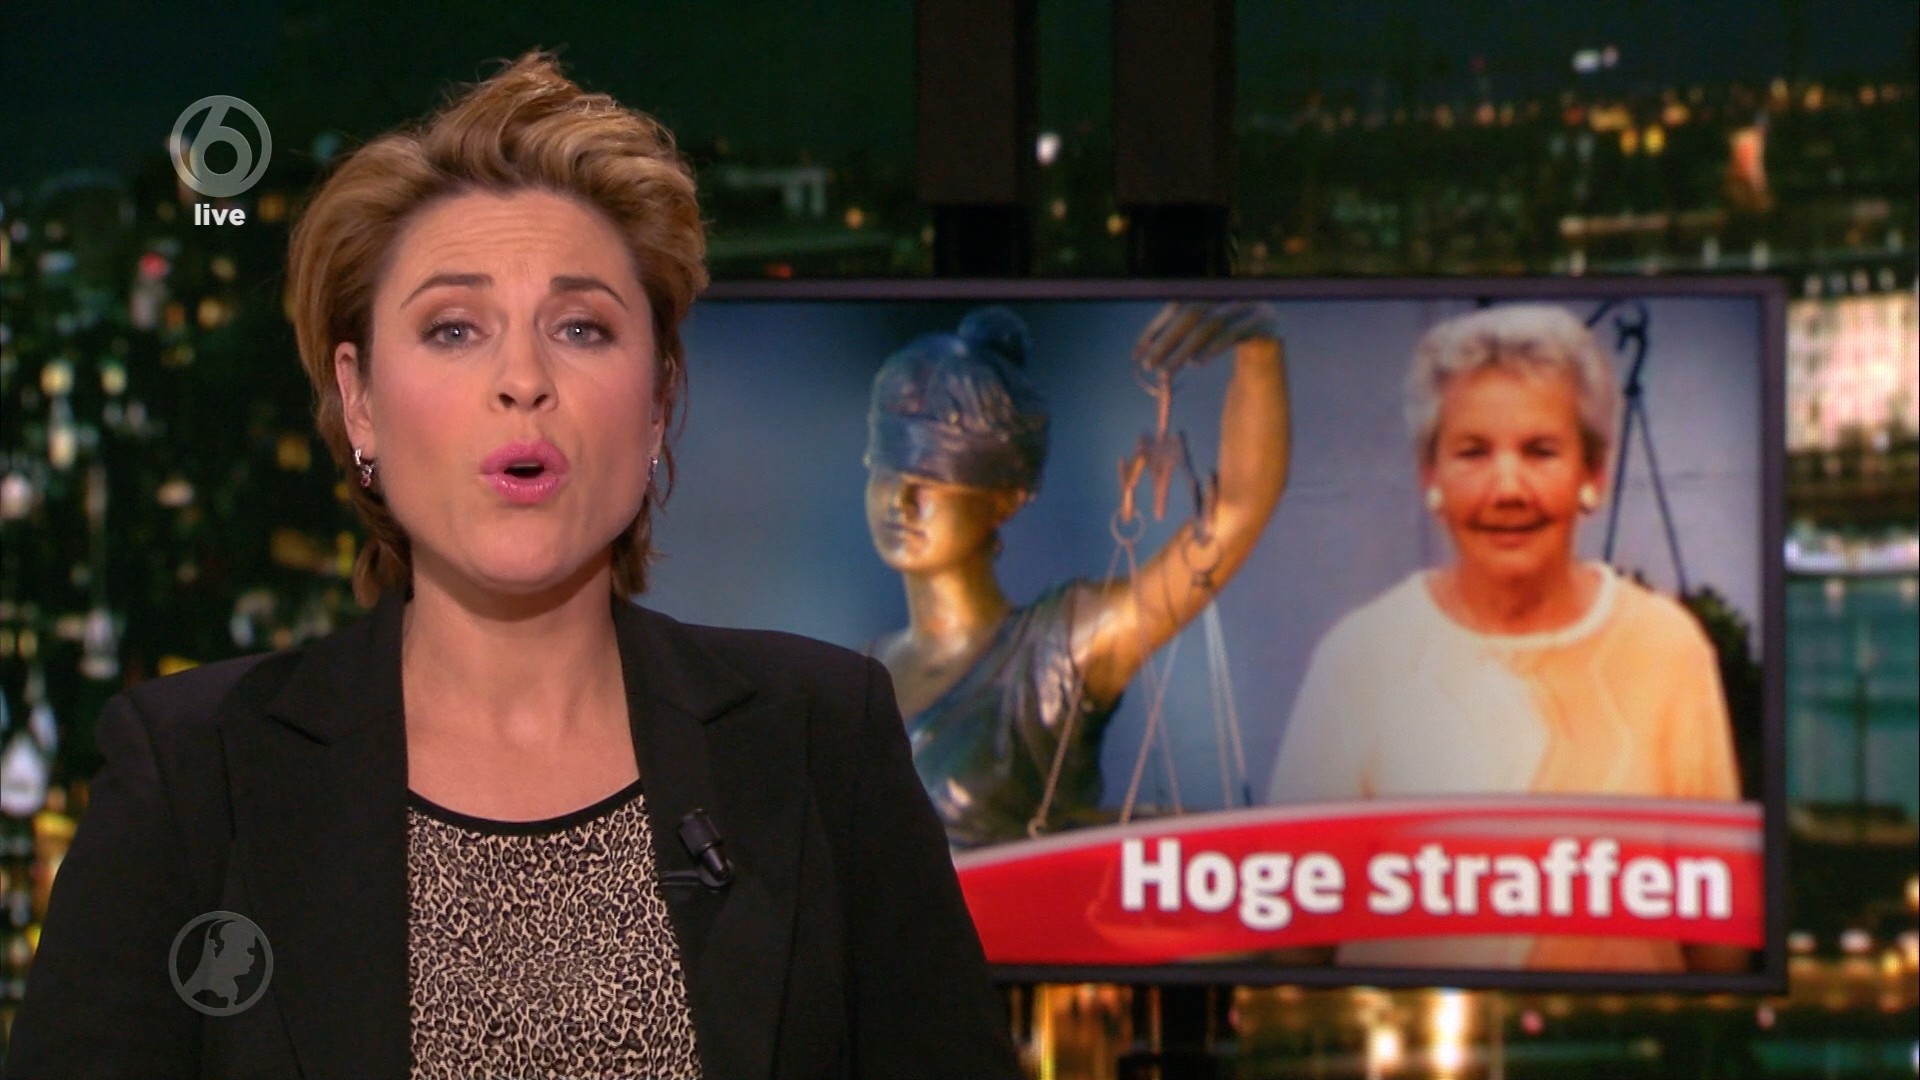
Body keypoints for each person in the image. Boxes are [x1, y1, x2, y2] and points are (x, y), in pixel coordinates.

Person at [6, 53, 1019, 1080]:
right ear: (359, 401)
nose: (523, 379)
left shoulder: (824, 739)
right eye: (453, 329)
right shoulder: (191, 778)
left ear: (659, 399)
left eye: (582, 327)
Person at [1264, 304, 1742, 972]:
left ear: (1593, 475)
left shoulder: (1668, 649)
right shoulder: (1359, 658)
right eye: (1473, 453)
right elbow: (1288, 939)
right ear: (1430, 476)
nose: (1507, 489)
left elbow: (1722, 942)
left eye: (1541, 452)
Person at [865, 303, 1291, 849]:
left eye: (932, 481)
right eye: (887, 475)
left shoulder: (1057, 652)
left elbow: (1234, 513)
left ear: (1004, 500)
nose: (901, 502)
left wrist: (1258, 352)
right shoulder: (854, 678)